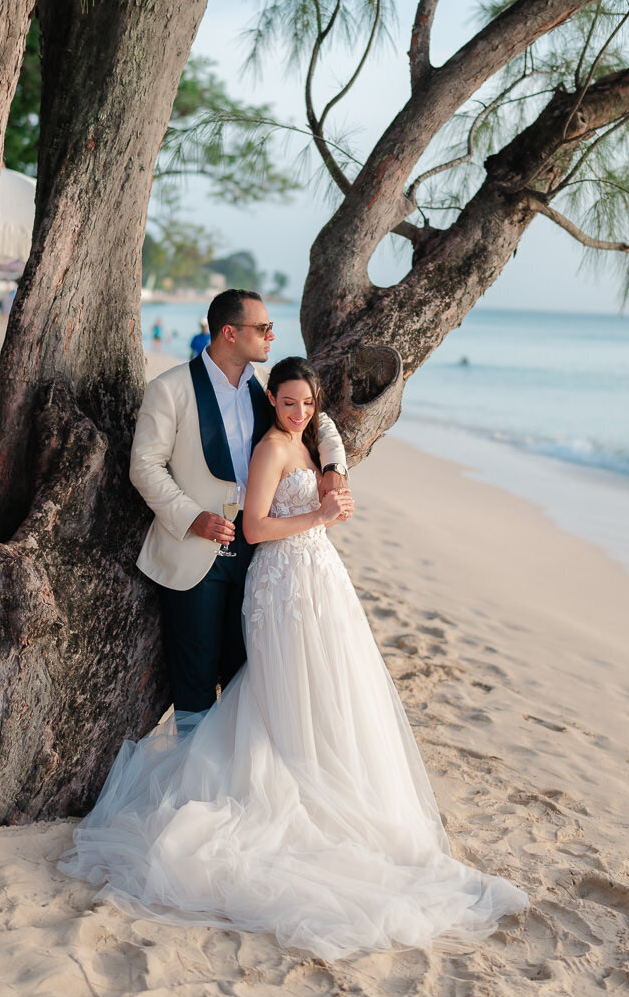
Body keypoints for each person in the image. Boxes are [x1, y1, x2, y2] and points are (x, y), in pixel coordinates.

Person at [60, 356, 527, 959]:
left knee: (332, 686)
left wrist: (334, 474)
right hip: (281, 584)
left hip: (320, 579)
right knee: (285, 690)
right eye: (288, 403)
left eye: (306, 403)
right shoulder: (272, 451)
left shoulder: (310, 440)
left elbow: (327, 428)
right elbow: (254, 528)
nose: (298, 411)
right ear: (271, 401)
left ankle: (338, 782)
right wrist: (319, 515)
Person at [125, 289, 351, 715]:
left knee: (246, 679)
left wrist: (334, 467)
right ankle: (190, 774)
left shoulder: (261, 392)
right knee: (193, 681)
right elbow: (145, 467)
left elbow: (319, 420)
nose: (270, 335)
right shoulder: (170, 389)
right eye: (262, 328)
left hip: (257, 553)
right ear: (230, 333)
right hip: (193, 550)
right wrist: (192, 518)